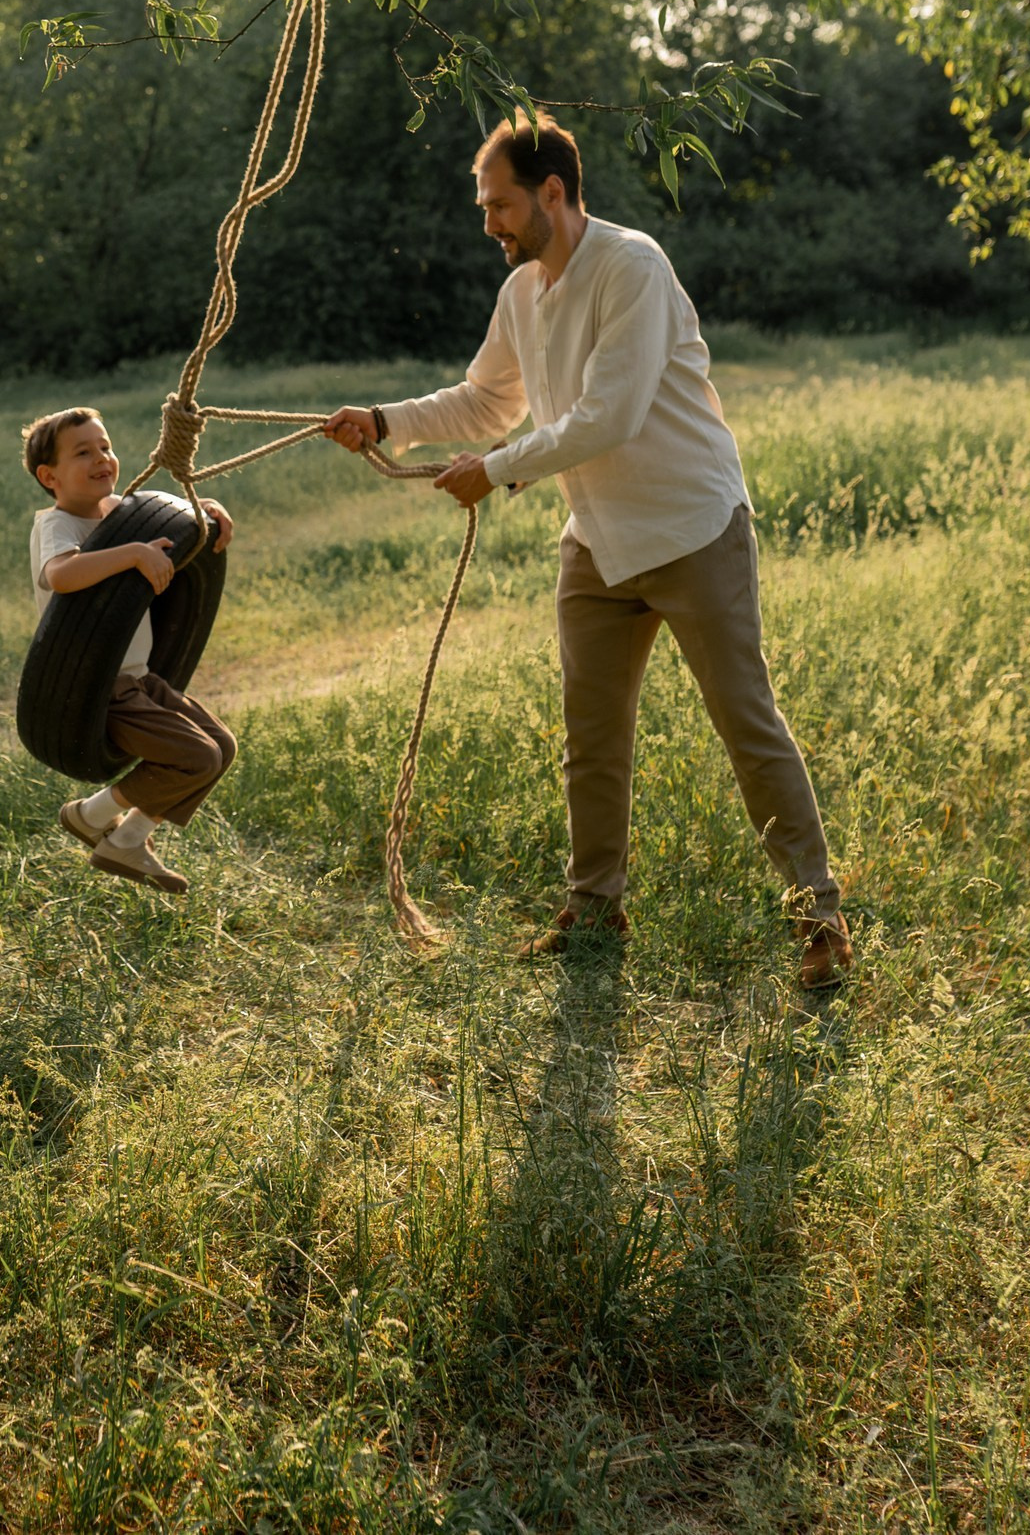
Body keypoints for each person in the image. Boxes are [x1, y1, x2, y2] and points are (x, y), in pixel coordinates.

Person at [323, 113, 852, 986]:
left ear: (553, 194)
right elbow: (488, 401)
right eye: (486, 205)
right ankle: (596, 908)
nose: (488, 221)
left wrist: (495, 472)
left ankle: (819, 919)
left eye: (498, 204)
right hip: (597, 545)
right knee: (591, 738)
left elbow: (610, 415)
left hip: (691, 529)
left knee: (746, 724)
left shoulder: (631, 266)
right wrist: (387, 422)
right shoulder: (522, 292)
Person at [20, 405, 238, 894]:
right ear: (49, 475)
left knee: (221, 747)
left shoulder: (120, 514)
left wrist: (209, 513)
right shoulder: (57, 526)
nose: (102, 458)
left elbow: (171, 524)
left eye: (106, 447)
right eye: (83, 452)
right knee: (197, 756)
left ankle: (130, 837)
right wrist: (135, 554)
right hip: (102, 687)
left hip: (140, 677)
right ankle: (89, 815)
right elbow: (62, 575)